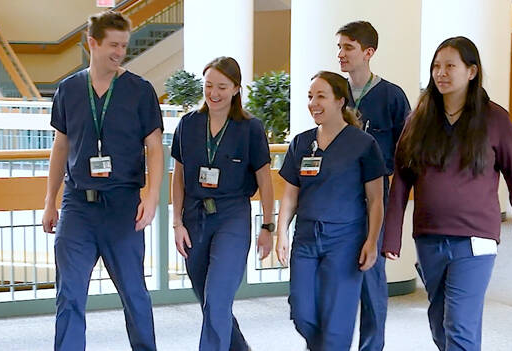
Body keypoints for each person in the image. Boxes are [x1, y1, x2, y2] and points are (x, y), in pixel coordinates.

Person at [382, 36, 512, 351]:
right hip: (429, 237)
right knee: (440, 324)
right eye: (437, 66)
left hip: (476, 238)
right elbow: (401, 181)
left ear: (471, 71)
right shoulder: (419, 119)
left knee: (459, 325)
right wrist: (392, 236)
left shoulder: (495, 118)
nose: (442, 73)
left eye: (450, 66)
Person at [42, 11, 164, 351]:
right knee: (69, 295)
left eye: (124, 45)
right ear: (91, 43)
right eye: (113, 45)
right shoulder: (68, 89)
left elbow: (154, 148)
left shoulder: (140, 91)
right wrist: (50, 200)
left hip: (123, 206)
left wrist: (152, 197)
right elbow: (61, 146)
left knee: (134, 293)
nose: (119, 52)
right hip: (78, 206)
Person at [171, 56, 274, 351]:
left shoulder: (250, 128)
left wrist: (268, 225)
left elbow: (265, 180)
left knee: (217, 299)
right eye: (208, 86)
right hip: (194, 218)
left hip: (232, 216)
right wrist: (177, 222)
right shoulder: (189, 124)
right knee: (210, 303)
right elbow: (177, 177)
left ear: (236, 89)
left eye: (222, 87)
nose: (214, 94)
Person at [276, 71, 385, 350]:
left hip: (345, 241)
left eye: (321, 96)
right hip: (306, 239)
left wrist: (372, 241)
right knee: (301, 312)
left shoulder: (363, 144)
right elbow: (290, 194)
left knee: (337, 323)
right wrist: (281, 233)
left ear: (340, 101)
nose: (313, 103)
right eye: (310, 97)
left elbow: (375, 200)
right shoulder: (301, 143)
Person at [336, 20, 411, 351]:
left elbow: (406, 153)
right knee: (336, 279)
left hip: (375, 199)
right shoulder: (334, 92)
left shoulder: (391, 96)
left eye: (348, 47)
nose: (341, 54)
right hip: (338, 199)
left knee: (370, 277)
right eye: (339, 47)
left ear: (368, 52)